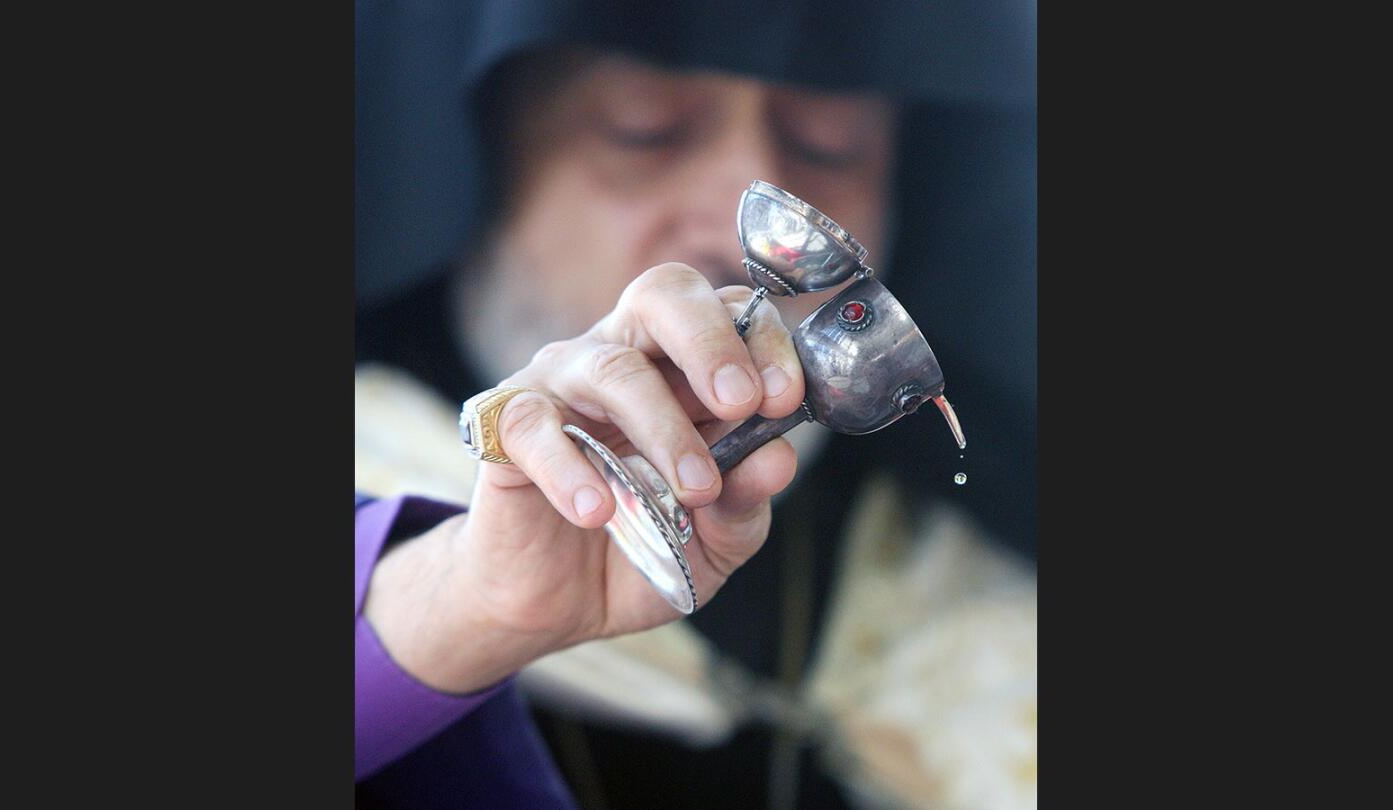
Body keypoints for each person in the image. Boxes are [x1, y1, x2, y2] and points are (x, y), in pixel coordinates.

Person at [356, 2, 1036, 807]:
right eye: (644, 129)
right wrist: (459, 604)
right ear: (489, 159)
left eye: (829, 143)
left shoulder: (968, 596)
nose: (730, 216)